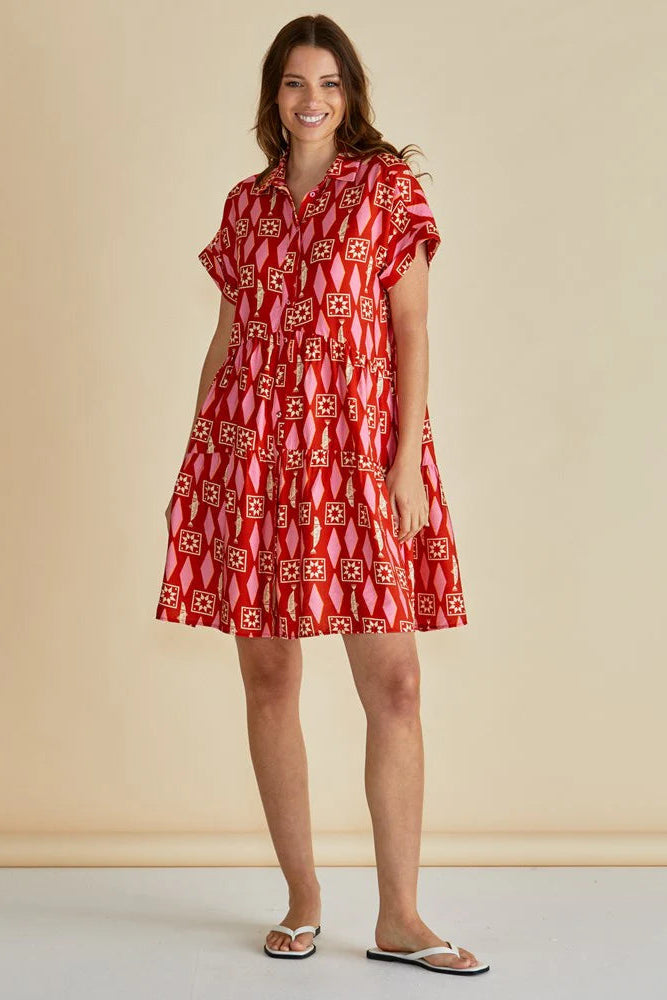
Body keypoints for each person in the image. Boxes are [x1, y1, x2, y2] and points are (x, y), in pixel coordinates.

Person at [156, 14, 488, 976]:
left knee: (396, 684)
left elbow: (412, 333)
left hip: (355, 457)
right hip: (251, 460)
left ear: (351, 96)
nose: (313, 101)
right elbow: (227, 341)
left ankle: (400, 917)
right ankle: (302, 900)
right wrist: (199, 460)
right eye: (297, 83)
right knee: (270, 680)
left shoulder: (386, 191)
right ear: (273, 96)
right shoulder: (245, 207)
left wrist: (402, 463)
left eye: (330, 85)